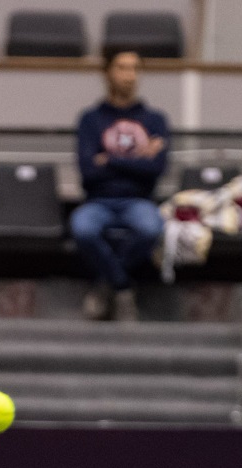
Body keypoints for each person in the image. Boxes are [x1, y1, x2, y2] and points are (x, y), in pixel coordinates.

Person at [71, 47, 170, 322]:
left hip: (139, 201)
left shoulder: (154, 120)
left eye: (135, 69)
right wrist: (138, 158)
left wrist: (109, 160)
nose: (130, 75)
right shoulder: (91, 120)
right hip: (98, 202)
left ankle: (106, 284)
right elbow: (88, 172)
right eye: (123, 68)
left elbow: (156, 169)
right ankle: (123, 287)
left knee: (151, 228)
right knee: (83, 229)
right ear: (107, 73)